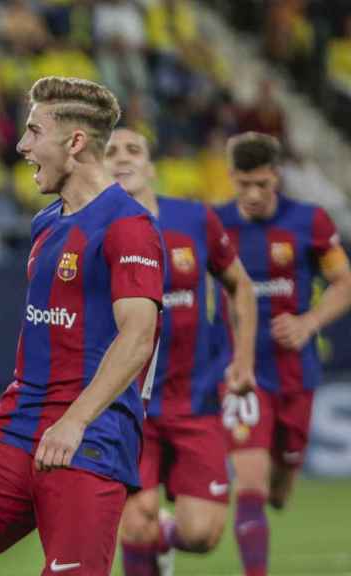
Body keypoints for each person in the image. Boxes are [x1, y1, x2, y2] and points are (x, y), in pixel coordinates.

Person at [0, 76, 164, 576]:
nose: (21, 145)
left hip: (91, 430)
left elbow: (137, 336)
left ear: (74, 143)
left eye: (33, 131)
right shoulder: (46, 222)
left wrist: (74, 420)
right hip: (19, 419)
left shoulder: (128, 226)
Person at [105, 128, 257, 576]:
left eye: (134, 150)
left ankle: (168, 539)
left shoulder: (194, 219)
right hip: (127, 408)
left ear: (151, 166)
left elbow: (241, 288)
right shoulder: (91, 228)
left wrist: (243, 361)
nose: (123, 158)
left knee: (202, 534)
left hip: (196, 402)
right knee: (135, 523)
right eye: (111, 151)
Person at [215, 132, 351, 576]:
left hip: (297, 371)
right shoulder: (214, 225)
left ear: (276, 176)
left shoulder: (309, 221)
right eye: (243, 184)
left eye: (262, 184)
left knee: (279, 489)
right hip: (242, 372)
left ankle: (283, 477)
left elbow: (343, 282)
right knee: (249, 483)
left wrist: (309, 322)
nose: (253, 194)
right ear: (231, 178)